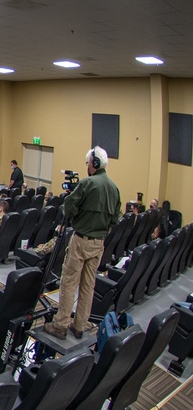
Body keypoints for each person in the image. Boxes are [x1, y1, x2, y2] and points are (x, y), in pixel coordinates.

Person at [44, 146, 121, 340]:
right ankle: (79, 325)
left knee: (69, 282)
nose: (87, 166)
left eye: (88, 162)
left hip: (81, 240)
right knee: (88, 285)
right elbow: (115, 221)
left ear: (94, 163)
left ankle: (60, 325)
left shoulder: (87, 183)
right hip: (99, 243)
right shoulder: (114, 188)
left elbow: (68, 208)